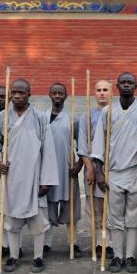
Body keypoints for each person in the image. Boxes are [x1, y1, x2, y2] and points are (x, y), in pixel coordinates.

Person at [0, 79, 59, 273]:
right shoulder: (1, 118)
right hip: (11, 178)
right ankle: (13, 256)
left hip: (34, 177)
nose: (17, 96)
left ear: (29, 93)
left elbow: (49, 150)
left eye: (21, 92)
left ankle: (38, 257)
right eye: (14, 92)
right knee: (11, 222)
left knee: (38, 223)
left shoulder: (39, 118)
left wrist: (46, 181)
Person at [91, 72, 137, 273]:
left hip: (136, 170)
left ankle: (131, 256)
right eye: (123, 83)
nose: (126, 86)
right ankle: (117, 256)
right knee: (114, 217)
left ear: (136, 85)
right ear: (116, 86)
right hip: (113, 172)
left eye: (130, 83)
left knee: (134, 218)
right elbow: (99, 143)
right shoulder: (107, 112)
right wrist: (99, 172)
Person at [43, 83, 82, 258]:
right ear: (50, 95)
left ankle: (73, 243)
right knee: (46, 207)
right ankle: (45, 243)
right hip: (47, 170)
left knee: (70, 208)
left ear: (66, 96)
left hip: (67, 170)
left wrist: (80, 164)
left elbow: (83, 145)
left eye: (61, 93)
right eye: (54, 93)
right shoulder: (41, 118)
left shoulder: (72, 118)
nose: (57, 96)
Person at [77, 80, 114, 259]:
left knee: (112, 206)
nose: (101, 93)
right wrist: (90, 168)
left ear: (111, 92)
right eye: (98, 90)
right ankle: (100, 242)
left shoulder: (116, 113)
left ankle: (112, 243)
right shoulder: (87, 116)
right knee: (96, 208)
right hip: (92, 166)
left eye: (105, 90)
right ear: (94, 93)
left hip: (114, 167)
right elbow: (82, 144)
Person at [0, 86, 22, 259]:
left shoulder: (15, 119)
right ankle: (4, 244)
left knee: (11, 210)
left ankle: (15, 246)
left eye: (3, 96)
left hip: (12, 172)